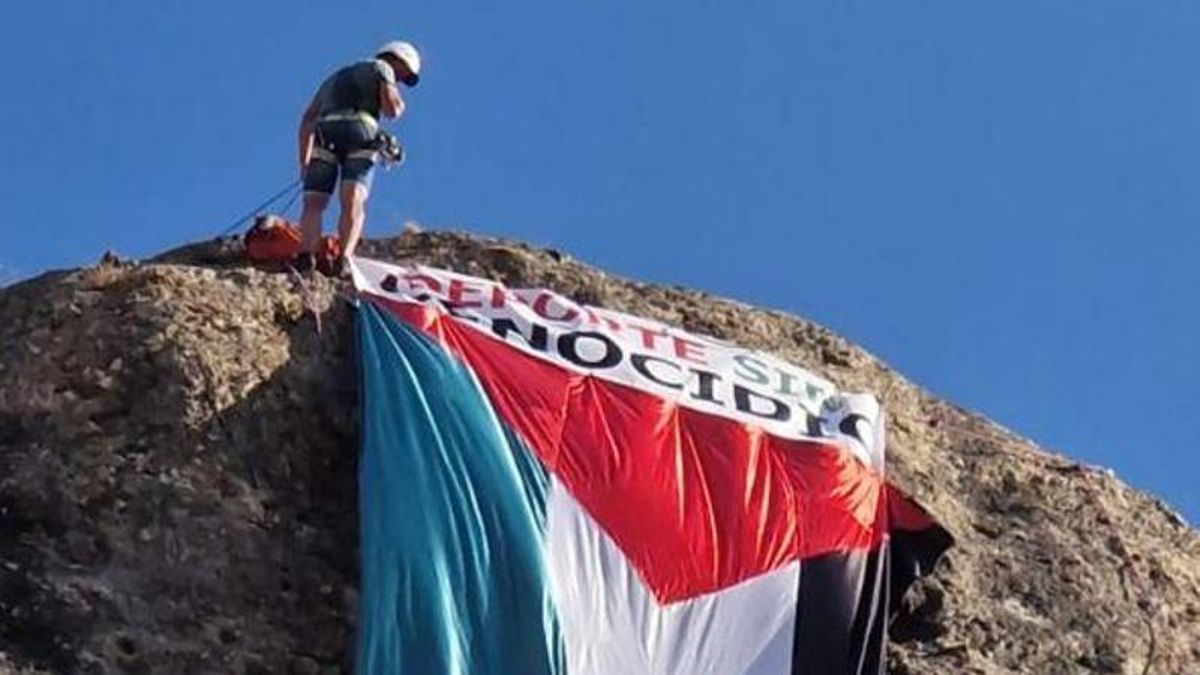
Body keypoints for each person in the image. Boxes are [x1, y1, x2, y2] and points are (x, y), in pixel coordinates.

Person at [296, 40, 421, 275]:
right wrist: (398, 102)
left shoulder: (334, 78)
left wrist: (304, 161)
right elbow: (392, 110)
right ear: (396, 59)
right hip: (360, 135)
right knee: (353, 199)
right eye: (404, 74)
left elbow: (308, 119)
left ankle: (306, 257)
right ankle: (344, 260)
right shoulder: (382, 68)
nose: (401, 80)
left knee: (314, 203)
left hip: (325, 136)